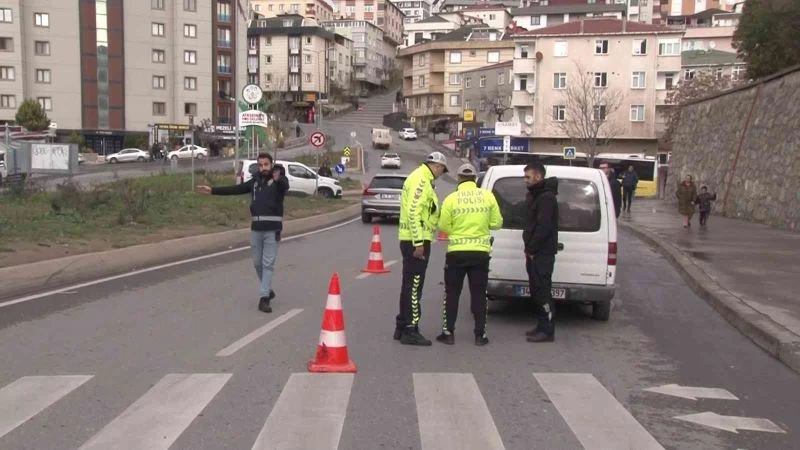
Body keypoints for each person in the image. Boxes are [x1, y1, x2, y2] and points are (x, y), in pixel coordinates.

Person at [196, 153, 289, 313]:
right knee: (257, 263)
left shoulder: (278, 181)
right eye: (260, 165)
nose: (263, 167)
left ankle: (264, 298)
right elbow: (236, 189)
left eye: (266, 164)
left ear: (271, 164)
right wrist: (212, 190)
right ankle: (268, 289)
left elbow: (284, 185)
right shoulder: (254, 182)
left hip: (272, 229)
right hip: (256, 229)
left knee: (268, 264)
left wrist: (279, 173)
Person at [436, 163, 503, 346]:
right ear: (475, 179)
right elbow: (497, 223)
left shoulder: (451, 199)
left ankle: (448, 333)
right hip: (480, 254)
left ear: (458, 178)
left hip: (456, 253)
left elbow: (442, 226)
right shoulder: (487, 197)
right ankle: (480, 335)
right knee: (479, 294)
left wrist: (457, 231)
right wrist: (481, 227)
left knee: (452, 294)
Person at [394, 151, 449, 346]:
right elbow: (414, 212)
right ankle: (410, 329)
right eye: (442, 170)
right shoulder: (420, 180)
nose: (441, 174)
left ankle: (402, 326)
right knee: (415, 286)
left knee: (409, 285)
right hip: (416, 241)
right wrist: (418, 242)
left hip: (414, 239)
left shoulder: (423, 179)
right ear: (436, 166)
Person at [522, 162, 559, 343]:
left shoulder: (546, 198)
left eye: (528, 177)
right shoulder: (536, 196)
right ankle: (541, 325)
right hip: (534, 253)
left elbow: (543, 227)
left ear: (538, 176)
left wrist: (532, 248)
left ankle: (547, 330)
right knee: (537, 290)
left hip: (542, 254)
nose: (525, 180)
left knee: (543, 291)